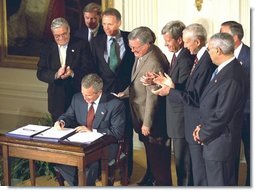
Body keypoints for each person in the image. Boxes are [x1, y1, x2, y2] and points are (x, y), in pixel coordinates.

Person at [152, 23, 216, 186]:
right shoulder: (195, 58)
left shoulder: (198, 60)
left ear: (197, 41)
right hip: (184, 118)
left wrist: (170, 90)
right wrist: (165, 84)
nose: (186, 46)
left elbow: (194, 95)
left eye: (188, 42)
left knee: (188, 166)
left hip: (188, 118)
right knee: (187, 165)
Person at [116, 26, 171, 186]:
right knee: (151, 154)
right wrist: (124, 93)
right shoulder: (143, 54)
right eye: (131, 47)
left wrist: (147, 123)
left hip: (152, 119)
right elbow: (136, 82)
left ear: (148, 43)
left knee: (158, 156)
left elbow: (153, 96)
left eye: (135, 48)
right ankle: (150, 178)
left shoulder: (154, 61)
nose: (132, 51)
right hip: (140, 114)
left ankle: (160, 184)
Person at [193, 32, 247, 186]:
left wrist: (203, 132)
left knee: (220, 183)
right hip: (216, 138)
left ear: (218, 51)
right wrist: (201, 127)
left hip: (221, 142)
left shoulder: (231, 75)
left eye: (209, 49)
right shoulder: (226, 70)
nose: (208, 52)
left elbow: (222, 114)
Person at [53, 73, 126, 186]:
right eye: (83, 94)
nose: (84, 98)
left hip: (106, 145)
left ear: (99, 92)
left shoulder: (115, 104)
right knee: (61, 160)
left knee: (91, 163)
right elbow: (68, 116)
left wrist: (92, 131)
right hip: (82, 143)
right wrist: (61, 121)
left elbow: (117, 133)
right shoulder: (77, 98)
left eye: (88, 95)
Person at [90, 8, 135, 180]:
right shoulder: (96, 41)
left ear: (119, 23)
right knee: (104, 132)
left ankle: (126, 173)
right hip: (105, 97)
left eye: (110, 24)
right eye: (104, 24)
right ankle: (104, 172)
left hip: (127, 96)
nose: (106, 27)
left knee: (126, 134)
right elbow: (93, 69)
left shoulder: (131, 38)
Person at [37, 17, 94, 123]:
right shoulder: (47, 47)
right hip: (57, 101)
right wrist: (55, 74)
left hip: (78, 97)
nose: (61, 38)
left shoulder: (81, 45)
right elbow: (40, 72)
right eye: (57, 36)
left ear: (69, 30)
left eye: (64, 34)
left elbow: (89, 69)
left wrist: (72, 73)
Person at [160, 20, 194, 186]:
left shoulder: (185, 59)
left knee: (183, 162)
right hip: (175, 117)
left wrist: (168, 86)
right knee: (179, 160)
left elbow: (184, 90)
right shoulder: (177, 56)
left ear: (179, 40)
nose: (165, 44)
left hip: (181, 118)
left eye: (168, 41)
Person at [220, 21, 250, 186]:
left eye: (223, 33)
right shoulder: (220, 56)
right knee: (229, 156)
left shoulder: (250, 56)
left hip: (248, 115)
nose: (220, 37)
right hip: (227, 117)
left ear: (235, 37)